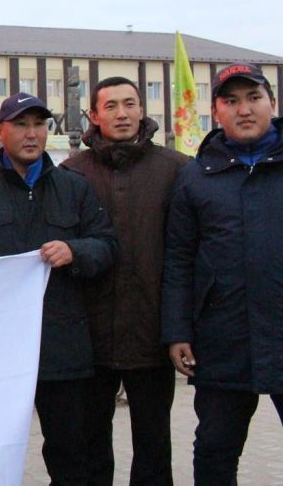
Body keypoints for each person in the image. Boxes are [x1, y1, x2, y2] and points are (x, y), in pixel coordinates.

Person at [0, 91, 116, 485]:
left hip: (62, 346)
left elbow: (107, 246)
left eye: (39, 124)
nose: (31, 133)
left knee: (70, 455)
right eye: (21, 124)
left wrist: (75, 251)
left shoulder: (74, 188)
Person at [61, 76, 188, 485]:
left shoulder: (176, 169)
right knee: (90, 446)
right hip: (90, 337)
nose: (122, 113)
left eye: (130, 103)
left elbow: (187, 253)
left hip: (152, 335)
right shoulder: (71, 173)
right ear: (94, 116)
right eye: (111, 106)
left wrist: (179, 328)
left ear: (142, 109)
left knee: (154, 446)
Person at [162, 63, 283, 485]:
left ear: (272, 103)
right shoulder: (196, 176)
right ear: (216, 112)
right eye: (231, 101)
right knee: (215, 449)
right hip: (223, 338)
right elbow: (179, 259)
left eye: (253, 98)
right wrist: (177, 331)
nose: (243, 109)